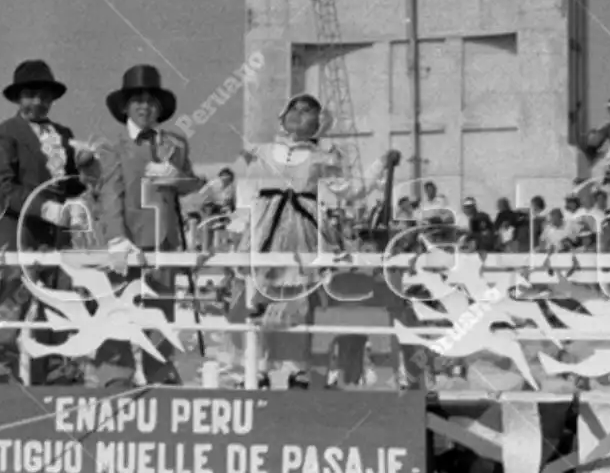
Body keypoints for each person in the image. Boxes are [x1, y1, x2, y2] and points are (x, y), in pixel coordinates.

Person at [228, 94, 390, 389]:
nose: (300, 114)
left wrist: (380, 165)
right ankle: (255, 367)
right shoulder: (259, 150)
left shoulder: (325, 155)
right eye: (295, 108)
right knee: (255, 298)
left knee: (300, 300)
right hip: (264, 230)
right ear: (283, 114)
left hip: (303, 231)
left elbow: (349, 191)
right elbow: (232, 180)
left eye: (309, 111)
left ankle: (298, 369)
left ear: (320, 122)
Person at [0, 60, 91, 383]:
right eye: (30, 95)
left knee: (61, 304)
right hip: (20, 232)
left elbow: (71, 184)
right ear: (18, 98)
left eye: (44, 96)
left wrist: (88, 169)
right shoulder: (3, 133)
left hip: (58, 235)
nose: (37, 102)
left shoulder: (64, 134)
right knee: (12, 303)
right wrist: (44, 208)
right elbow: (3, 189)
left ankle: (59, 375)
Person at [97, 64, 203, 387]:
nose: (144, 106)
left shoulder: (176, 141)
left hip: (165, 239)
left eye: (150, 100)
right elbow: (109, 194)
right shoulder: (111, 146)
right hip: (127, 242)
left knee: (160, 311)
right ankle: (116, 374)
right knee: (118, 307)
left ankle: (160, 370)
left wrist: (180, 179)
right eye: (137, 100)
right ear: (125, 106)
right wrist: (116, 238)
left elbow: (190, 186)